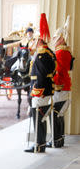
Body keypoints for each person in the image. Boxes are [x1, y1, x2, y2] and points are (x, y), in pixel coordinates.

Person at [24, 13, 56, 153]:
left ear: (39, 41)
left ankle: (39, 145)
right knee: (40, 118)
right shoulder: (49, 53)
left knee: (38, 118)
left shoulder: (42, 54)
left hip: (40, 90)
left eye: (35, 41)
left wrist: (38, 90)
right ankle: (40, 143)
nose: (34, 43)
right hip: (45, 89)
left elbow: (42, 75)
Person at [48, 16, 74, 148]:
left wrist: (53, 84)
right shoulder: (63, 51)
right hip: (63, 85)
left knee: (55, 113)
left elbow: (59, 71)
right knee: (59, 114)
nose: (54, 40)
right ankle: (59, 139)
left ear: (61, 38)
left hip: (60, 85)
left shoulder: (61, 52)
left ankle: (56, 139)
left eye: (55, 38)